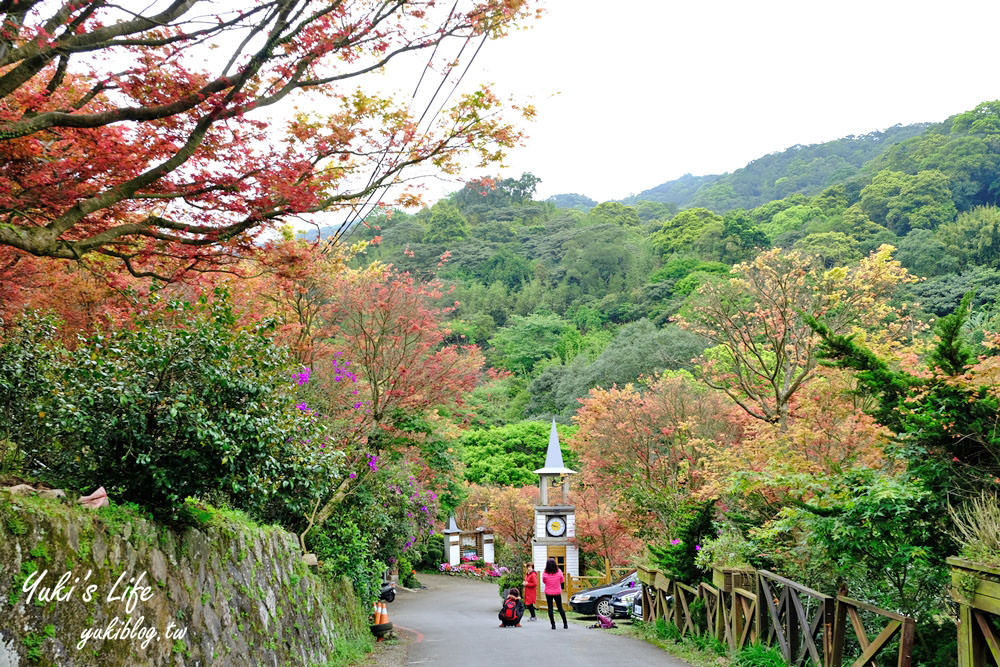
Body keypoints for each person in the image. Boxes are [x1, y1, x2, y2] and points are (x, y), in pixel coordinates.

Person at [542, 557, 568, 630]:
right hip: (557, 592)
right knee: (560, 608)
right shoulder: (559, 571)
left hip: (548, 592)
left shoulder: (545, 573)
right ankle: (565, 624)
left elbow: (544, 581)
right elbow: (562, 581)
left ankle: (553, 625)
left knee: (550, 608)